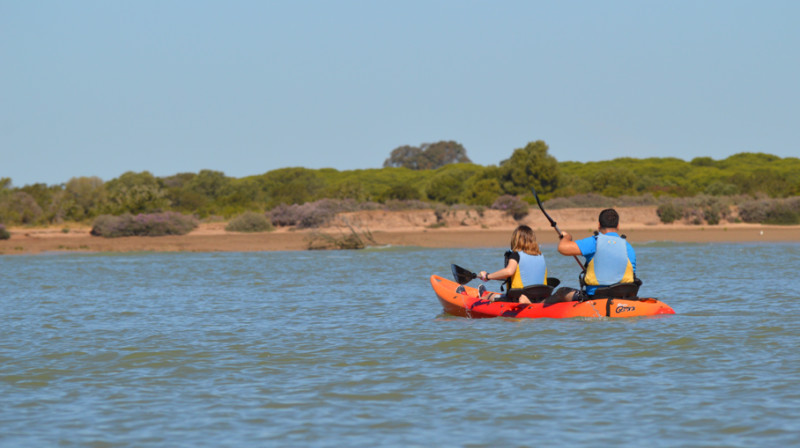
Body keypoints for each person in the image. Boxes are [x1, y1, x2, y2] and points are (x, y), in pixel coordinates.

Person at [551, 208, 636, 302]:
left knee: (562, 292)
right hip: (625, 296)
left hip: (596, 297)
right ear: (618, 226)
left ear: (599, 225)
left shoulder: (594, 242)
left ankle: (538, 307)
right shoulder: (628, 247)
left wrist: (567, 237)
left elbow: (562, 248)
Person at [478, 225, 549, 304]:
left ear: (515, 240)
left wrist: (487, 276)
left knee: (489, 296)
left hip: (518, 298)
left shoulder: (516, 255)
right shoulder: (540, 255)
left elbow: (509, 271)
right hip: (539, 298)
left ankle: (480, 298)